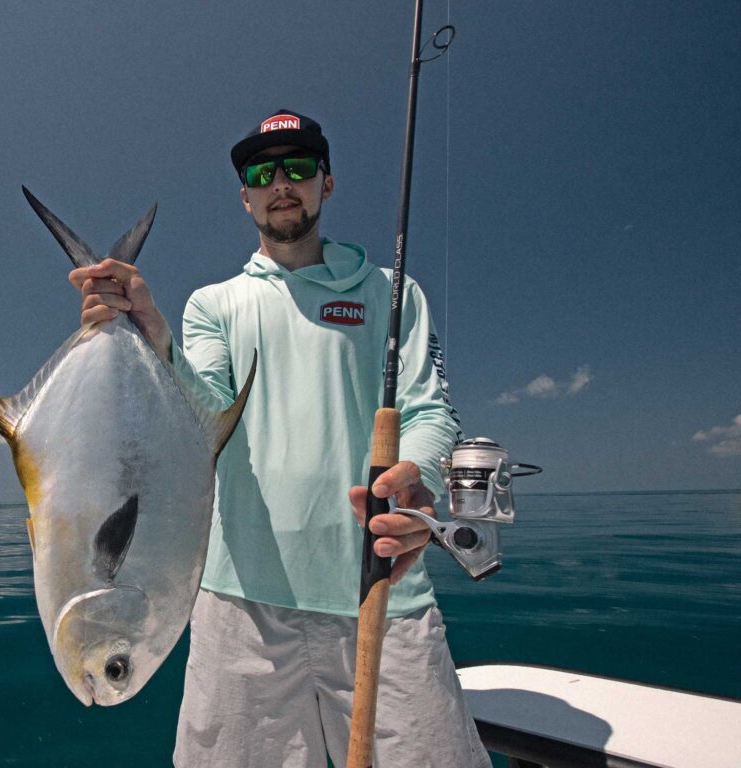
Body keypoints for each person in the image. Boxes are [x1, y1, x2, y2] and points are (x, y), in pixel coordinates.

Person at [70, 110, 489, 768]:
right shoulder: (214, 303)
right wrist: (152, 335)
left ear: (327, 182)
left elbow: (430, 411)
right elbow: (206, 412)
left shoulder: (393, 292)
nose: (281, 182)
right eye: (262, 173)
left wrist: (422, 480)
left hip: (381, 591)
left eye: (298, 167)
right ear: (246, 196)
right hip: (241, 606)